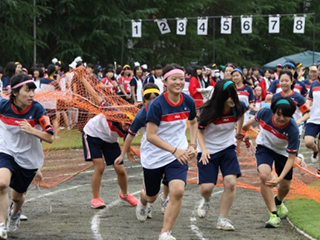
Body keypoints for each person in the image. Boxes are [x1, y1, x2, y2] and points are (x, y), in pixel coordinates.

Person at [136, 64, 197, 240]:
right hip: (155, 155)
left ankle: (165, 232)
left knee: (177, 190)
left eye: (181, 78)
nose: (178, 82)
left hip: (178, 153)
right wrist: (174, 150)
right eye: (174, 79)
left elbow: (193, 123)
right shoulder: (157, 105)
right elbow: (150, 135)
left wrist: (192, 145)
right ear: (165, 81)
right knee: (151, 196)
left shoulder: (188, 101)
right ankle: (143, 200)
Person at [0, 74, 54, 239]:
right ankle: (2, 225)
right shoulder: (3, 105)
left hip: (28, 158)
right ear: (15, 92)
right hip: (6, 150)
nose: (31, 94)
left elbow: (50, 137)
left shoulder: (38, 109)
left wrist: (32, 130)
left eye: (33, 90)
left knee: (18, 197)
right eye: (27, 90)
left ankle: (15, 213)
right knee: (2, 184)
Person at [242, 97, 299, 228]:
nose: (282, 118)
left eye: (286, 116)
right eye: (279, 114)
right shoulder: (265, 112)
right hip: (264, 147)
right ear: (273, 111)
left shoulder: (293, 130)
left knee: (285, 187)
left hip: (283, 153)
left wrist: (279, 179)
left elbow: (291, 158)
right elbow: (247, 124)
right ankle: (273, 215)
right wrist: (245, 133)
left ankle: (278, 202)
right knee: (264, 175)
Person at [196, 80, 246, 231]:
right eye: (227, 96)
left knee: (230, 183)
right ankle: (206, 200)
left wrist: (238, 133)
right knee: (207, 187)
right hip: (208, 150)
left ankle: (222, 219)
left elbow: (242, 116)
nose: (231, 99)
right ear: (220, 96)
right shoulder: (209, 110)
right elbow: (199, 131)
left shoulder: (238, 107)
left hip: (227, 148)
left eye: (233, 95)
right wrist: (203, 149)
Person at [115, 83, 169, 218]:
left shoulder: (167, 109)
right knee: (150, 180)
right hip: (150, 150)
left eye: (155, 97)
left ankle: (165, 199)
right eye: (148, 98)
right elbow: (130, 134)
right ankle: (146, 202)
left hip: (167, 147)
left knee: (168, 177)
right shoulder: (142, 114)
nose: (152, 101)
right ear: (144, 99)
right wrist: (123, 154)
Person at [82, 112, 138, 209]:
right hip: (92, 134)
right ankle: (96, 198)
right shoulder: (112, 114)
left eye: (130, 125)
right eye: (126, 124)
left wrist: (128, 152)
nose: (127, 127)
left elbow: (127, 137)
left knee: (120, 169)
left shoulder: (132, 126)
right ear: (121, 119)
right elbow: (101, 102)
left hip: (109, 139)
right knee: (99, 167)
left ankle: (124, 194)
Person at [272, 70, 310, 135]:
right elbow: (272, 113)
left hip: (294, 129)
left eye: (286, 81)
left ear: (291, 82)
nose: (284, 83)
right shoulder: (275, 97)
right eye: (281, 81)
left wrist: (298, 122)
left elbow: (307, 114)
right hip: (279, 129)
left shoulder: (298, 97)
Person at [305, 74, 320, 173]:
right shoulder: (314, 84)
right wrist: (304, 109)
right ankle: (315, 150)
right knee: (308, 142)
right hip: (313, 119)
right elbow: (309, 100)